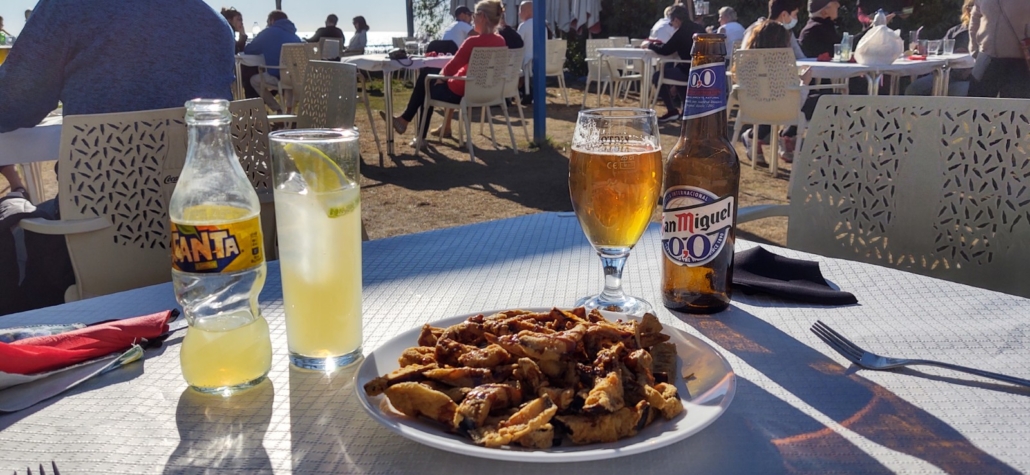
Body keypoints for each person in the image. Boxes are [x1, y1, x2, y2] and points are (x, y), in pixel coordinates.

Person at [0, 0, 235, 314]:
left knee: (10, 213)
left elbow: (12, 104)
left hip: (90, 243)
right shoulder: (216, 25)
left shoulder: (67, 8)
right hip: (207, 246)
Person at [387, 0, 507, 148]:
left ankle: (414, 131)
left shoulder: (472, 42)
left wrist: (442, 78)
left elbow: (452, 66)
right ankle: (406, 123)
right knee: (430, 79)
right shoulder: (501, 41)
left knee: (427, 80)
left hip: (460, 93)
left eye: (474, 14)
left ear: (482, 16)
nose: (472, 18)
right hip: (487, 92)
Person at [647, 4, 705, 123]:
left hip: (689, 69)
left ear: (677, 20)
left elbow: (665, 50)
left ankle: (671, 110)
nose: (671, 25)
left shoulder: (681, 32)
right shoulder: (699, 28)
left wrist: (649, 45)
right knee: (678, 70)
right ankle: (687, 110)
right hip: (703, 69)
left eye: (671, 23)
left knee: (657, 76)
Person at [905, 0, 973, 96]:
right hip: (945, 74)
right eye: (970, 7)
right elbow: (939, 51)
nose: (972, 10)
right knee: (913, 89)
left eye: (976, 7)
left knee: (958, 91)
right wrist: (925, 50)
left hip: (970, 77)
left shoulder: (989, 34)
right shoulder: (955, 31)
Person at [968, 0, 1030, 98]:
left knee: (1015, 107)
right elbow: (975, 18)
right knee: (976, 104)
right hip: (986, 56)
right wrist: (974, 49)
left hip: (1020, 59)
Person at [244, 10, 302, 112]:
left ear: (272, 20)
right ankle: (289, 113)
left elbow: (249, 49)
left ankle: (277, 109)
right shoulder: (295, 37)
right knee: (288, 77)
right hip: (296, 78)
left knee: (254, 80)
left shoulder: (268, 32)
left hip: (278, 77)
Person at [517, 1, 534, 105]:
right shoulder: (543, 25)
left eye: (520, 10)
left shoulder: (524, 26)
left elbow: (517, 43)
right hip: (542, 61)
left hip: (527, 62)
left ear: (527, 11)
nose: (519, 14)